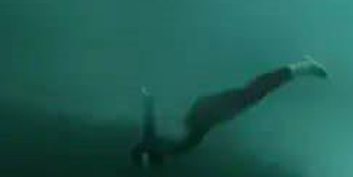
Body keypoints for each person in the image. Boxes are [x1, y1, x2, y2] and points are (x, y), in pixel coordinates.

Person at [131, 55, 328, 167]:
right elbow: (150, 123)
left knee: (252, 93)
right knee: (251, 93)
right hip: (206, 110)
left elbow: (156, 128)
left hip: (210, 112)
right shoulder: (158, 144)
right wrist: (148, 98)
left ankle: (302, 68)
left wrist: (148, 99)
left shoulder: (168, 148)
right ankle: (300, 69)